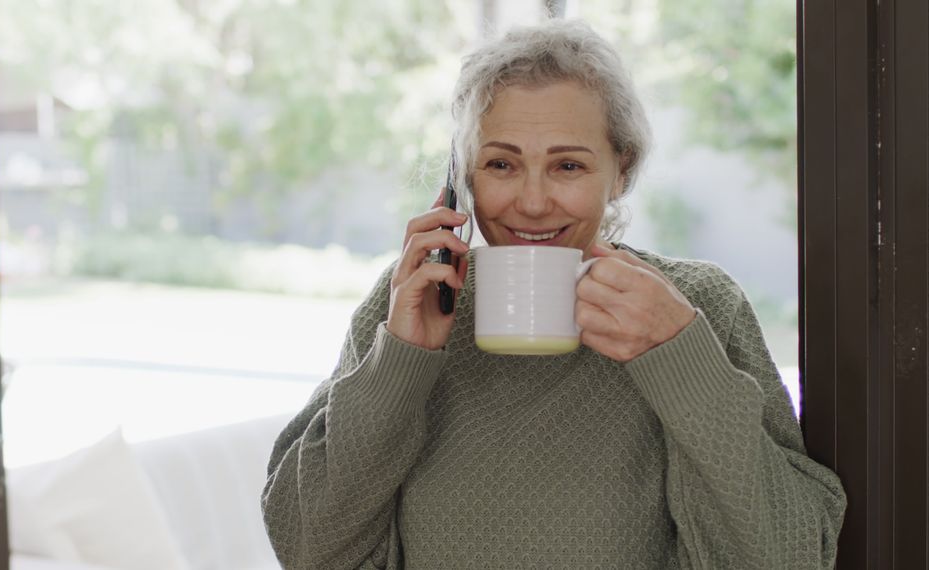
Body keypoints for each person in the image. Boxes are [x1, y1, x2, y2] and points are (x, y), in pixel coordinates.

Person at [262, 19, 846, 569]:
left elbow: (788, 554)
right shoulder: (413, 303)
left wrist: (681, 359)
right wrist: (401, 360)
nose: (534, 202)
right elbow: (309, 548)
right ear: (464, 178)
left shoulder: (697, 306)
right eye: (501, 164)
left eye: (567, 165)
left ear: (621, 170)